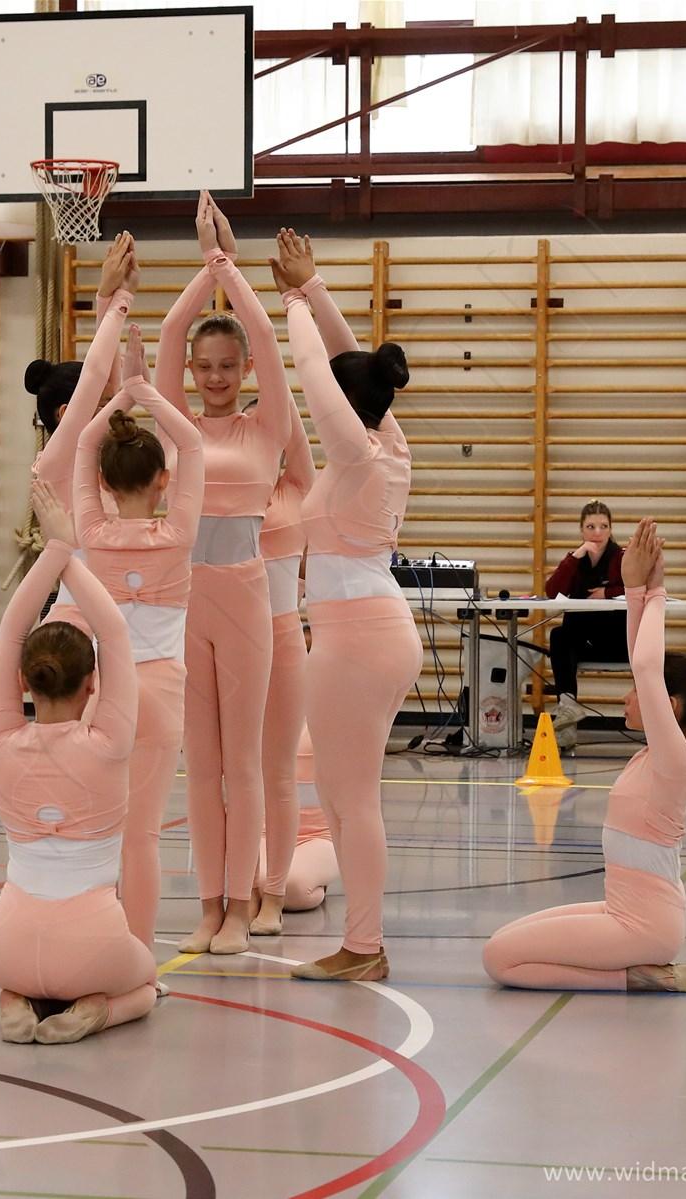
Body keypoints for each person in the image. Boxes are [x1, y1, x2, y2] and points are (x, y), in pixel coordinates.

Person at [482, 517, 686, 993]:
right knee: (503, 940)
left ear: (668, 705)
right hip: (625, 910)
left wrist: (655, 592)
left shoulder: (673, 760)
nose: (626, 698)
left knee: (500, 960)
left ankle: (637, 977)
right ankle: (639, 971)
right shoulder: (662, 752)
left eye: (637, 693)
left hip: (643, 926)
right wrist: (639, 588)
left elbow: (647, 665)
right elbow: (642, 658)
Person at [272, 228, 422, 982]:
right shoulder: (387, 441)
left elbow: (315, 370)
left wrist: (293, 302)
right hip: (370, 630)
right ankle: (361, 942)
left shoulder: (360, 455)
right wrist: (314, 288)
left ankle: (365, 946)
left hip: (356, 639)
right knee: (338, 794)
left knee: (352, 799)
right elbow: (348, 361)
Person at [154, 192, 291, 955]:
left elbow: (266, 334)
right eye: (202, 367)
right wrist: (203, 264)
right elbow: (171, 330)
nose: (212, 376)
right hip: (185, 602)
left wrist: (228, 266)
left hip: (244, 596)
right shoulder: (175, 428)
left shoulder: (266, 426)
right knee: (199, 767)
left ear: (243, 370)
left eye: (226, 366)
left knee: (242, 762)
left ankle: (242, 905)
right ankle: (208, 904)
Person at [0, 482, 155, 1044]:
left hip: (4, 946)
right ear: (92, 684)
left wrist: (57, 550)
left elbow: (12, 629)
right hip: (91, 944)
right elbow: (115, 632)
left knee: (27, 969)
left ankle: (15, 998)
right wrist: (71, 553)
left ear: (21, 680)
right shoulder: (109, 743)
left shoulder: (0, 738)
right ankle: (98, 1010)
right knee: (147, 980)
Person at [72, 325, 203, 949]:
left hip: (105, 693)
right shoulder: (176, 535)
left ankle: (94, 947)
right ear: (163, 481)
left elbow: (83, 443)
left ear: (102, 484)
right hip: (160, 691)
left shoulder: (92, 534)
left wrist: (122, 395)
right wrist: (145, 391)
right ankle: (138, 957)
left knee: (99, 831)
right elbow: (192, 443)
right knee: (142, 836)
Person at [26, 232, 138, 630]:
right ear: (67, 414)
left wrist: (112, 296)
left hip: (116, 603)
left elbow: (109, 379)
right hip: (77, 610)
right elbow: (95, 375)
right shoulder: (54, 464)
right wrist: (117, 300)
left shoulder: (98, 456)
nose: (112, 409)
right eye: (100, 404)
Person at [252, 400, 315, 935]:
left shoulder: (295, 489)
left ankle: (273, 893)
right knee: (232, 774)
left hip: (282, 638)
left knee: (278, 772)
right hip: (228, 641)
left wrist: (276, 389)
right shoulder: (215, 486)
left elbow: (293, 437)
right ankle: (237, 892)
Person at [545, 500, 627, 749]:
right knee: (559, 636)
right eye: (591, 527)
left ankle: (567, 711)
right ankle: (568, 707)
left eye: (604, 526)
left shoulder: (621, 557)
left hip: (616, 641)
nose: (597, 533)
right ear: (581, 530)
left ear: (611, 529)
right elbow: (552, 591)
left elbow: (639, 587)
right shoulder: (575, 560)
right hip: (583, 640)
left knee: (570, 631)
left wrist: (608, 593)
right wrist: (575, 556)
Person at [259, 724, 340, 913]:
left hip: (320, 836)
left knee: (293, 889)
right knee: (253, 883)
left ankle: (313, 879)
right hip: (266, 832)